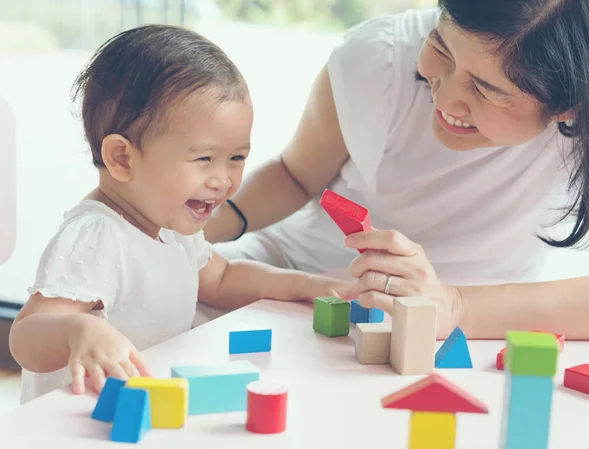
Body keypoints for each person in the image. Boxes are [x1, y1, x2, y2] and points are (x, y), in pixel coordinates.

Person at [205, 0, 589, 340]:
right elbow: (294, 176)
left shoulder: (588, 113)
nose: (443, 97)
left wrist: (455, 307)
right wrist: (186, 227)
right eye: (441, 48)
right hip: (296, 276)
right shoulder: (379, 60)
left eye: (483, 90)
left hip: (474, 326)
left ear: (569, 107)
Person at [8, 25, 356, 404]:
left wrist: (303, 284)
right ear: (122, 158)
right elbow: (25, 336)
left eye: (237, 158)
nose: (223, 180)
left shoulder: (173, 224)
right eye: (205, 159)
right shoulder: (96, 237)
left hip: (144, 406)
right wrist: (77, 330)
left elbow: (222, 278)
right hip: (76, 419)